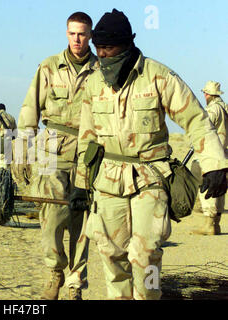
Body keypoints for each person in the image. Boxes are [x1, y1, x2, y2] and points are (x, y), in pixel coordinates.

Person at [71, 9, 227, 300]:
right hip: (107, 182)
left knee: (146, 256)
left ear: (127, 45)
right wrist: (81, 185)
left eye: (108, 49)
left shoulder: (158, 77)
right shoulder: (93, 83)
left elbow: (196, 120)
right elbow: (87, 138)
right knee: (111, 255)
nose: (102, 56)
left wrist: (215, 165)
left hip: (150, 179)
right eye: (98, 49)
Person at [15, 12, 97, 300]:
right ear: (66, 33)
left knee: (83, 221)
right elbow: (29, 111)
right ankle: (55, 270)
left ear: (90, 35)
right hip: (51, 150)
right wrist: (22, 150)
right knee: (51, 217)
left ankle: (76, 283)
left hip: (88, 153)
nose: (78, 39)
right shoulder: (49, 67)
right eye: (73, 33)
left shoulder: (101, 70)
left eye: (83, 33)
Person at [191, 81, 227, 235]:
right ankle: (216, 225)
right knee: (219, 188)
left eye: (205, 93)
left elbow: (203, 128)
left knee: (207, 187)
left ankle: (209, 224)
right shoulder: (224, 108)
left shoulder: (212, 109)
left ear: (208, 94)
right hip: (223, 153)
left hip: (210, 153)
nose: (204, 95)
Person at [0, 103, 17, 169]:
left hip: (1, 141)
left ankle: (3, 177)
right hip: (10, 142)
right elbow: (15, 132)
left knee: (2, 162)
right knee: (8, 162)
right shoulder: (11, 117)